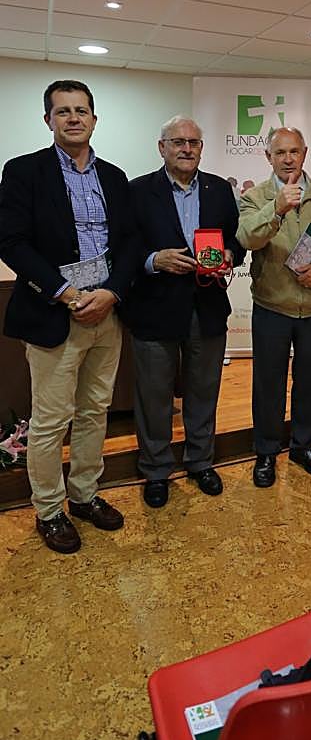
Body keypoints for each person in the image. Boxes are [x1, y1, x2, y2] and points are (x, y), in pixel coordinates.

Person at [0, 80, 136, 553]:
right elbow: (12, 241)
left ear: (94, 119)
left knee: (95, 411)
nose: (74, 118)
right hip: (55, 313)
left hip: (106, 312)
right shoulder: (24, 171)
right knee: (51, 420)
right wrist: (66, 293)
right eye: (63, 111)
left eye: (81, 110)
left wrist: (112, 293)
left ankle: (83, 495)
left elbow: (130, 242)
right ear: (48, 120)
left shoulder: (114, 177)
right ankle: (49, 510)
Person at [124, 116, 244, 508]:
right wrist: (153, 260)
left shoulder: (219, 190)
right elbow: (122, 248)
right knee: (154, 396)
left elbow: (236, 239)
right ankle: (156, 469)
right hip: (154, 308)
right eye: (178, 142)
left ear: (201, 149)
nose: (187, 149)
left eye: (193, 142)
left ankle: (200, 461)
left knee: (204, 390)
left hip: (206, 307)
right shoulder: (137, 191)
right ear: (162, 148)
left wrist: (230, 254)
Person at [237, 126, 311, 488]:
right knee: (268, 385)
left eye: (294, 151)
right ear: (268, 157)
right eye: (280, 152)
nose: (288, 159)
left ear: (305, 153)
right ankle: (266, 451)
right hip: (273, 307)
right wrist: (276, 208)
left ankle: (304, 447)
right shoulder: (255, 197)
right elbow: (247, 238)